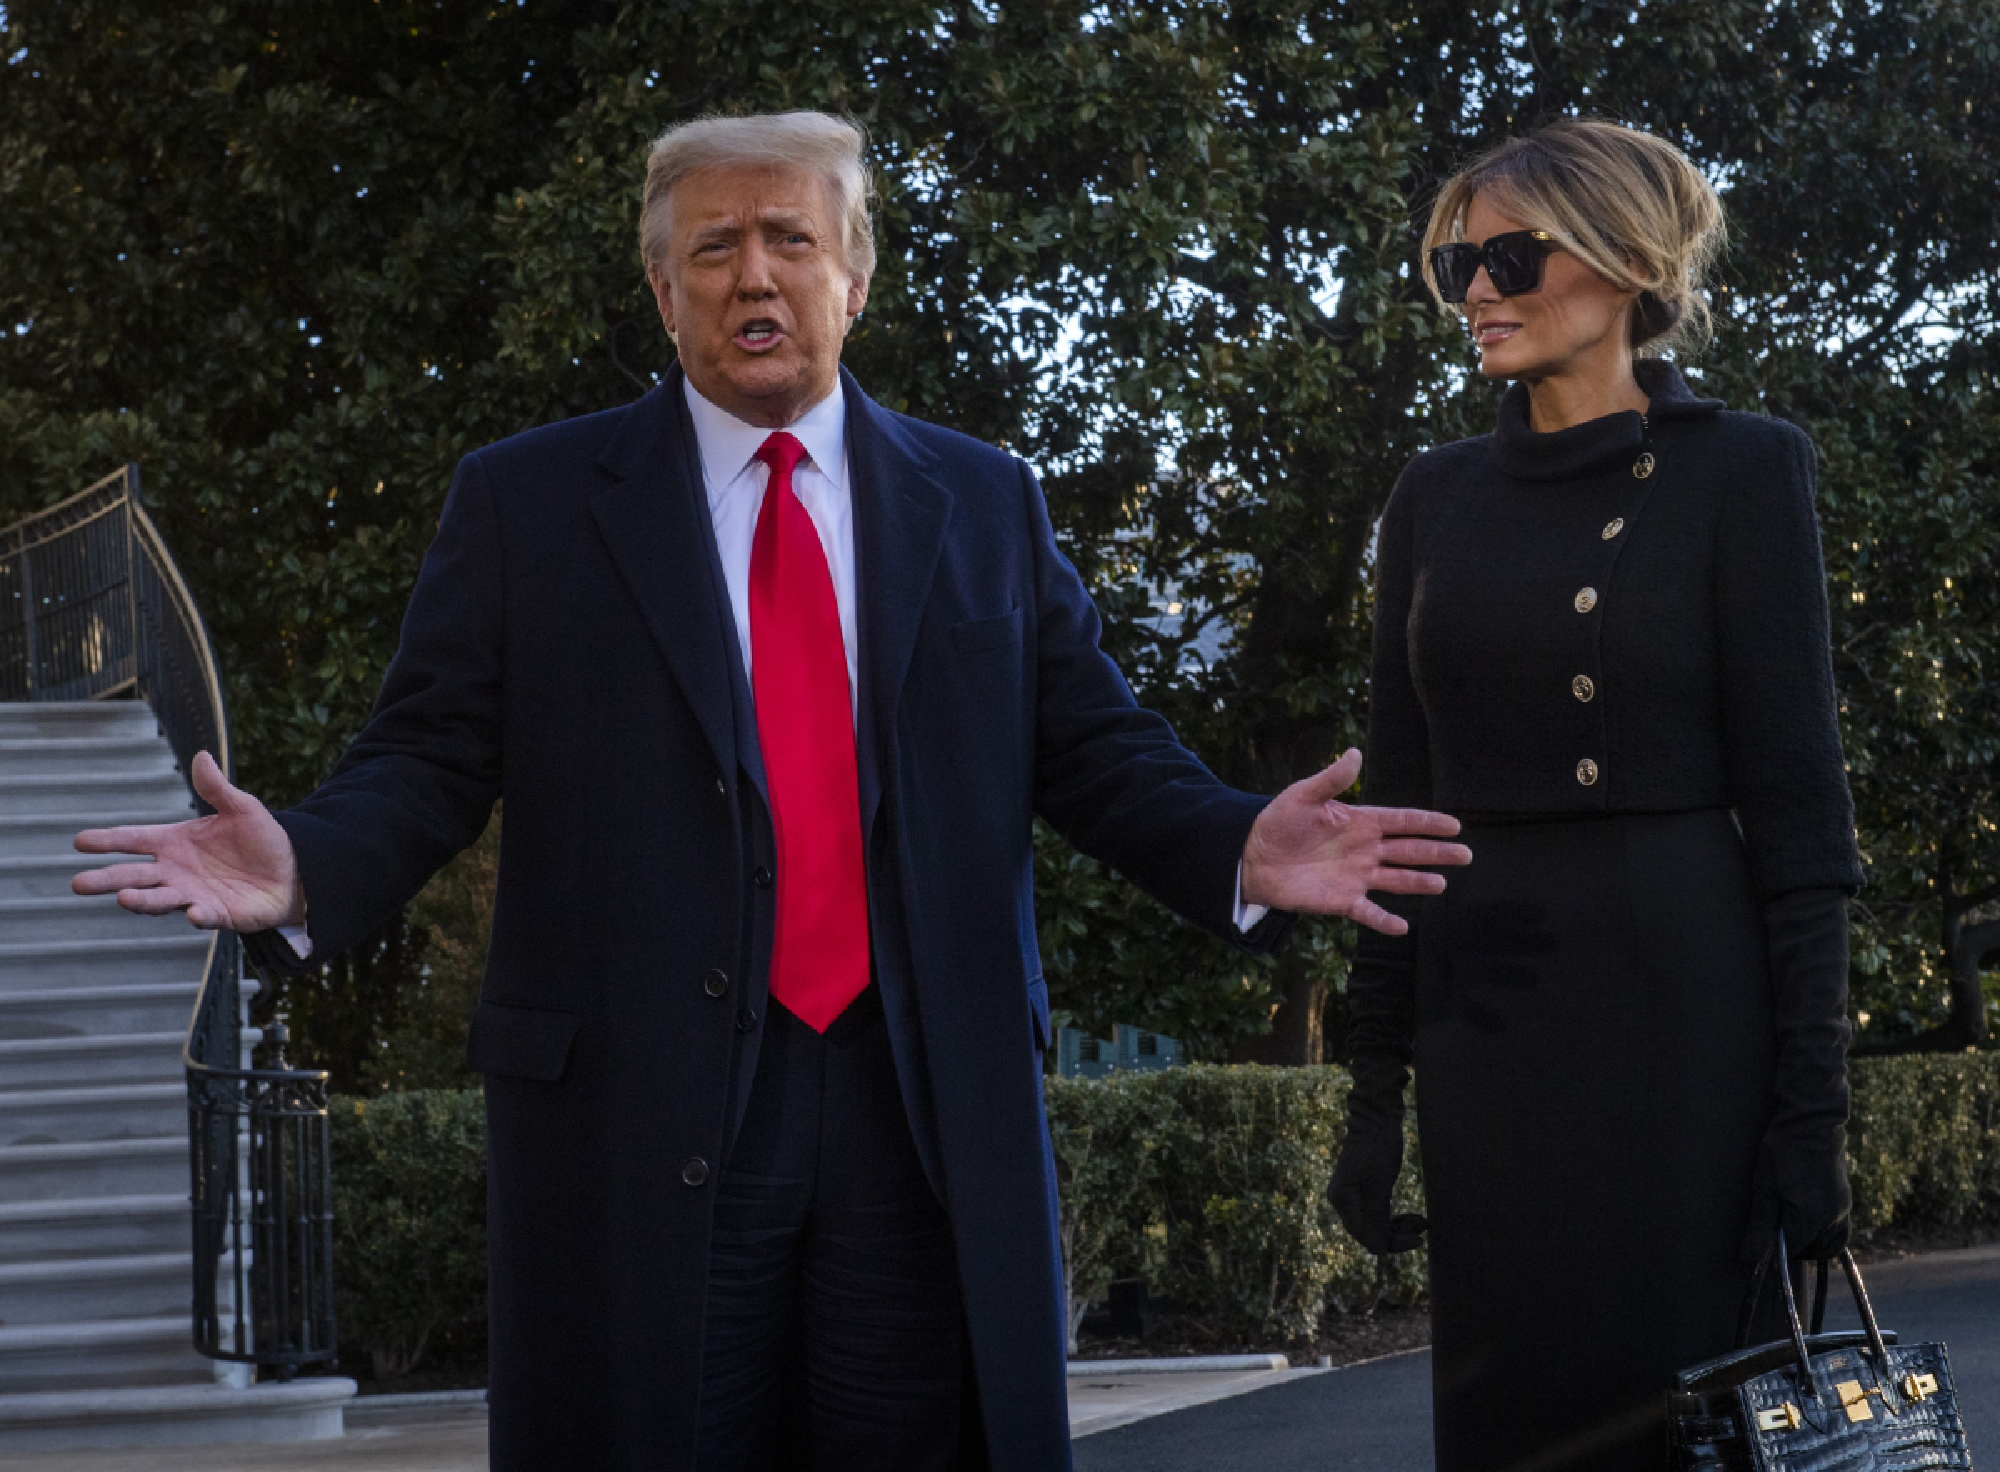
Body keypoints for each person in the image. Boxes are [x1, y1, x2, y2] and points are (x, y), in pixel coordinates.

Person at [73, 111, 1471, 1472]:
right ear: (662, 289)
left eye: (791, 239)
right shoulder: (531, 502)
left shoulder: (982, 499)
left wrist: (1238, 842)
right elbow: (428, 756)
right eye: (715, 245)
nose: (755, 273)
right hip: (641, 1101)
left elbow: (1095, 748)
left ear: (853, 277)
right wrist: (307, 864)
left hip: (918, 1105)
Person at [1327, 117, 1862, 1471]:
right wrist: (1374, 1085)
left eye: (1514, 254)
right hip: (1486, 1017)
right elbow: (1395, 806)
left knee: (1687, 1415)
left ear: (1626, 264)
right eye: (1458, 263)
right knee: (1514, 1411)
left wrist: (1813, 1120)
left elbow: (1802, 828)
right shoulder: (1435, 495)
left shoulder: (1741, 468)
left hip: (1680, 1016)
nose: (1479, 291)